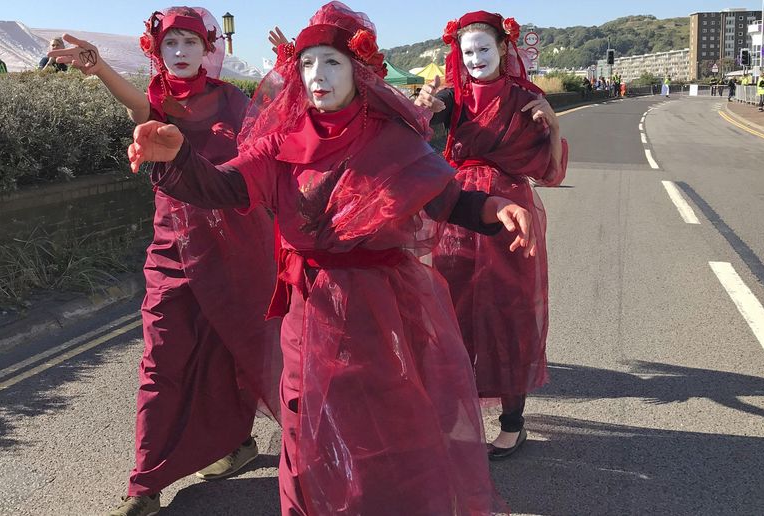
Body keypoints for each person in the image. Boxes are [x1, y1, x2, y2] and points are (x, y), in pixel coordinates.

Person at [128, 3, 534, 513]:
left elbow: (446, 198)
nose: (317, 76)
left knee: (384, 422)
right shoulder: (280, 142)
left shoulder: (393, 138)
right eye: (307, 64)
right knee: (305, 427)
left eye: (332, 63)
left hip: (381, 304)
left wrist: (497, 207)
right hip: (309, 304)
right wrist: (177, 157)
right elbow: (225, 185)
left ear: (359, 70)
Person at [49, 8, 280, 516]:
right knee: (162, 360)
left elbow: (270, 161)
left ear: (206, 50)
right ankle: (144, 485)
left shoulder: (237, 102)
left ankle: (238, 444)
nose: (179, 51)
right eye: (170, 42)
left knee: (232, 350)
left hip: (235, 252)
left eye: (189, 43)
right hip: (171, 248)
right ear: (157, 50)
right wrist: (101, 68)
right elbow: (142, 112)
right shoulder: (159, 102)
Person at [415, 10, 568, 460]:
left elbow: (549, 172)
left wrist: (554, 124)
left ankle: (513, 424)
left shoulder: (527, 99)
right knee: (452, 312)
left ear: (503, 48)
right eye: (468, 52)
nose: (476, 58)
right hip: (458, 213)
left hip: (512, 214)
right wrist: (419, 114)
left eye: (484, 48)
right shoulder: (447, 98)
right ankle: (455, 418)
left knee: (509, 313)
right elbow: (414, 152)